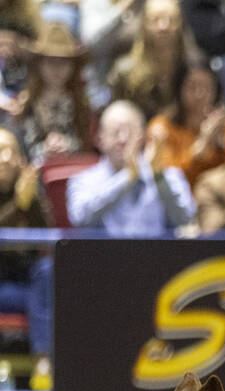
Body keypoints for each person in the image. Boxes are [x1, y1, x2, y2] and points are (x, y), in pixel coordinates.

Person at [67, 99, 196, 234]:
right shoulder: (83, 181)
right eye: (115, 132)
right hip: (103, 254)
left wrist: (158, 177)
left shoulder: (168, 176)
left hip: (155, 254)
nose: (122, 139)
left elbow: (185, 220)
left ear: (143, 136)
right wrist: (127, 178)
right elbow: (80, 218)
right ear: (100, 139)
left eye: (130, 132)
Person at [0, 126, 51, 359]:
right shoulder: (21, 198)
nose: (7, 158)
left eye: (12, 151)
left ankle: (43, 361)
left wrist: (33, 200)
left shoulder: (28, 190)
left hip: (26, 284)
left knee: (47, 271)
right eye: (1, 151)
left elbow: (48, 234)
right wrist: (18, 205)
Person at [146, 60, 225, 186]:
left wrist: (219, 143)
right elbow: (170, 180)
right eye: (192, 86)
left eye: (207, 87)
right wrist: (203, 143)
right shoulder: (162, 127)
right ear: (179, 89)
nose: (199, 94)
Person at [107, 0, 201, 119]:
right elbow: (118, 115)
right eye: (155, 19)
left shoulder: (194, 69)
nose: (164, 26)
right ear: (144, 24)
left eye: (171, 19)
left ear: (180, 23)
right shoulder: (124, 73)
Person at [14, 22, 92, 163]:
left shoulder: (82, 102)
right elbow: (21, 148)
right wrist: (44, 149)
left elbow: (88, 144)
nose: (57, 69)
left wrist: (69, 145)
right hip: (36, 174)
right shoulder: (26, 103)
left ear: (73, 66)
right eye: (50, 61)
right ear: (39, 64)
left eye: (63, 62)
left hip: (74, 169)